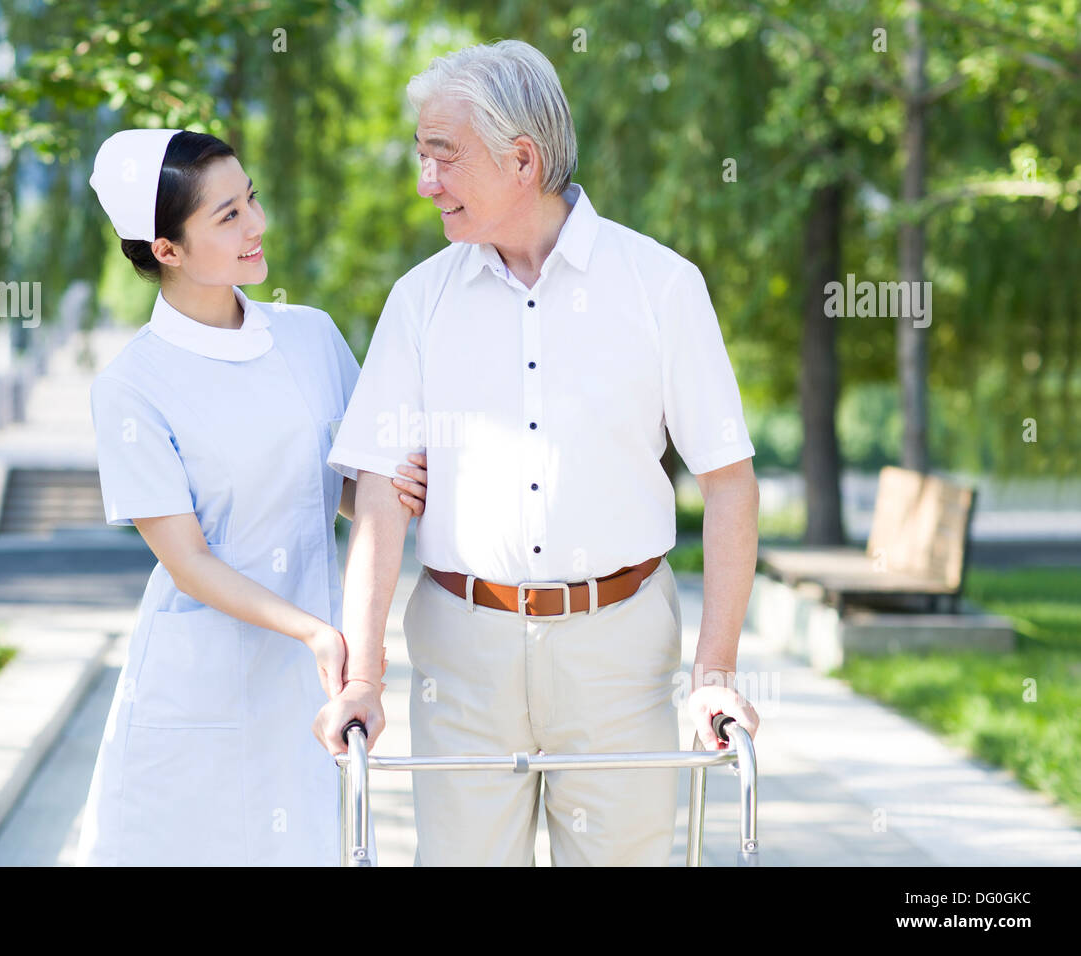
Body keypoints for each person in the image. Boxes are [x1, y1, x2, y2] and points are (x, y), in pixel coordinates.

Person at [316, 40, 762, 866]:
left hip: (619, 650)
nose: (424, 182)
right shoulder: (419, 301)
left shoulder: (661, 286)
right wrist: (364, 679)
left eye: (442, 156)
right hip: (461, 652)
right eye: (421, 156)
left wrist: (715, 672)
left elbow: (730, 485)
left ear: (522, 158)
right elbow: (381, 496)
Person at [74, 128, 428, 866]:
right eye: (227, 216)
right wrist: (313, 631)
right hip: (198, 675)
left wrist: (393, 485)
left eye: (252, 199)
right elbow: (188, 563)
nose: (257, 225)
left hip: (302, 682)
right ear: (166, 250)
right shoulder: (133, 386)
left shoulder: (311, 336)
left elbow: (344, 484)